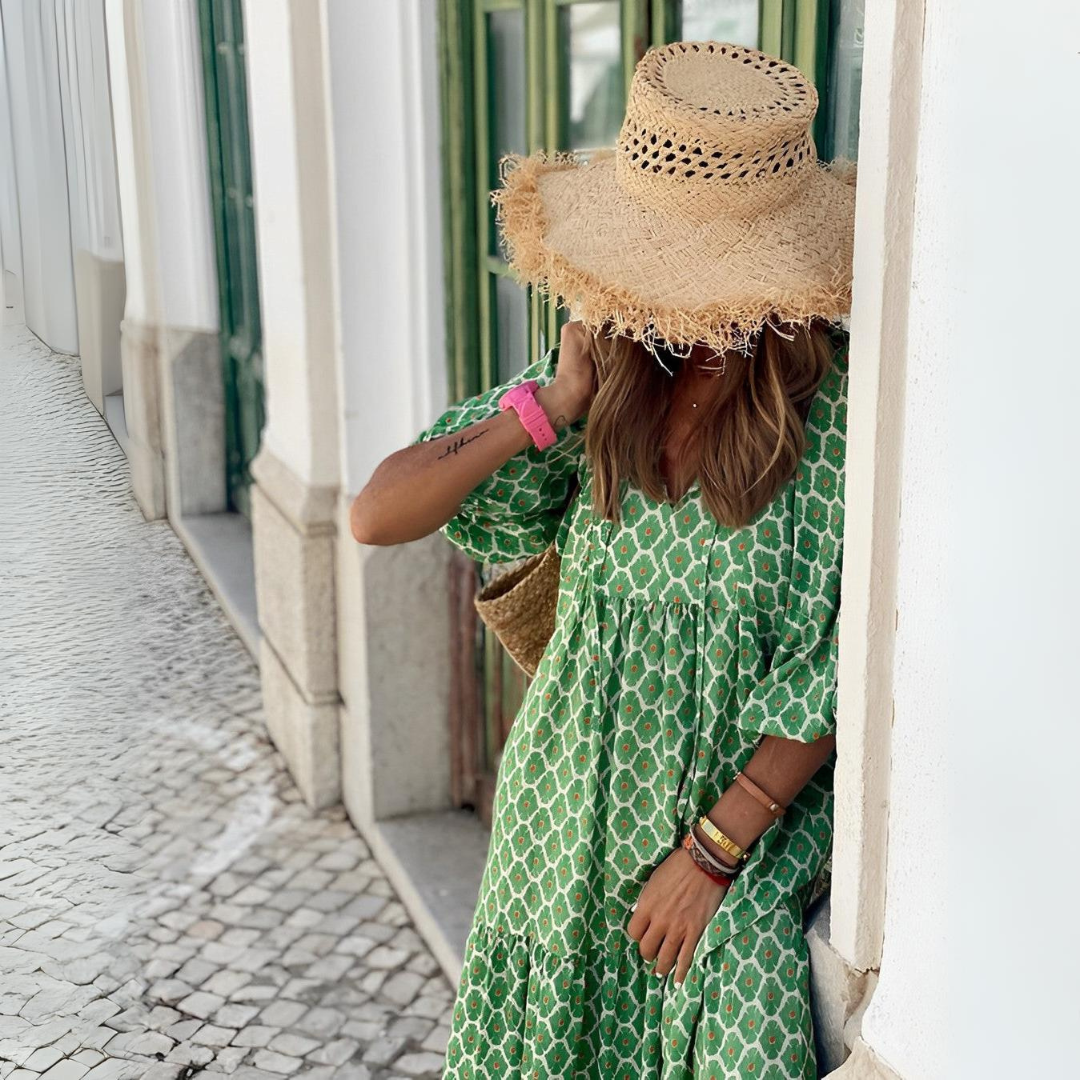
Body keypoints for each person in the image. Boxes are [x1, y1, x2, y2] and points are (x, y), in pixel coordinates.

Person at [351, 40, 855, 1080]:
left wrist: (715, 853)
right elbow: (377, 514)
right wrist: (546, 407)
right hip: (561, 820)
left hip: (731, 838)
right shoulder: (610, 375)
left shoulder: (832, 416)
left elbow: (833, 664)